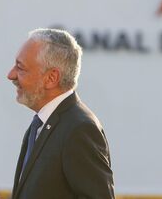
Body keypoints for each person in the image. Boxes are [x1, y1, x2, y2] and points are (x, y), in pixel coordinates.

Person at [7, 28, 114, 199]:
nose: (10, 75)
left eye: (20, 68)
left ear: (51, 78)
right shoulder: (41, 125)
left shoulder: (80, 129)